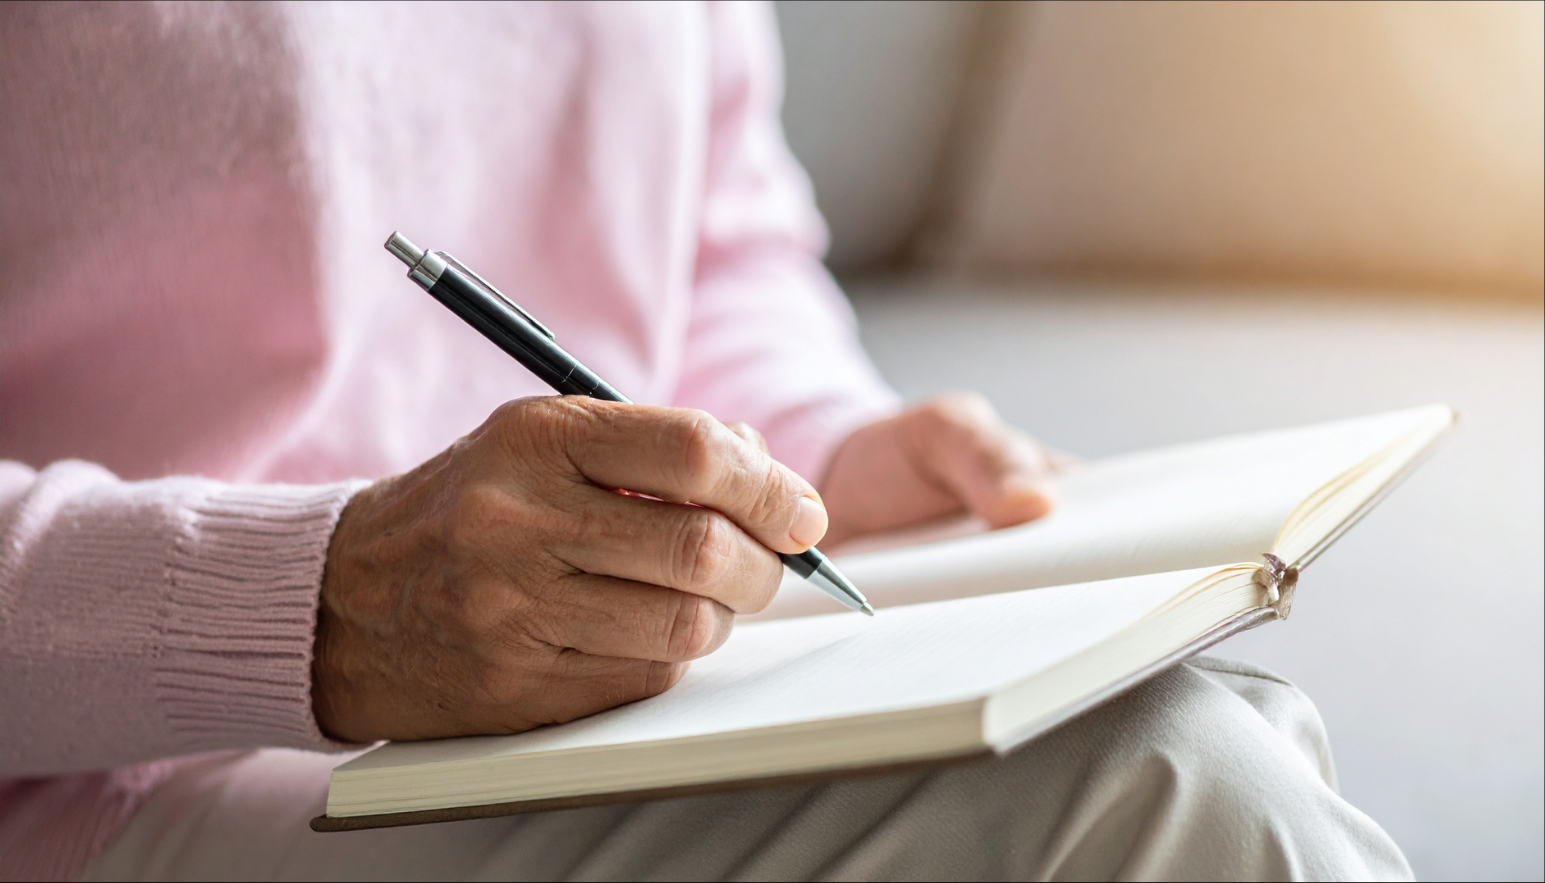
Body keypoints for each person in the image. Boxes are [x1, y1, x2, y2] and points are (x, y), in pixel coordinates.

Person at [0, 3, 1412, 880]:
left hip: (608, 688)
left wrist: (822, 454)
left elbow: (713, 234)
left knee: (1217, 737)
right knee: (1171, 798)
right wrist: (316, 606)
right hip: (109, 779)